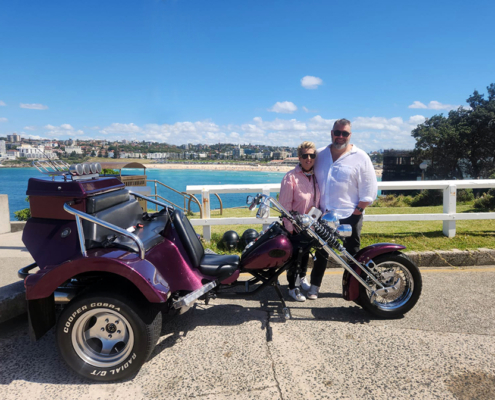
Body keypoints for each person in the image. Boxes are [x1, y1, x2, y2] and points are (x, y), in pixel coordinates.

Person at [308, 119, 378, 300]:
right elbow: (306, 170)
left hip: (349, 215)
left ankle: (355, 289)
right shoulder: (321, 154)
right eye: (337, 132)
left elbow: (369, 189)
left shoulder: (361, 156)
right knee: (321, 252)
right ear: (331, 133)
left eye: (344, 133)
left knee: (352, 255)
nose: (340, 137)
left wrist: (358, 211)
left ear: (350, 135)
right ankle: (314, 287)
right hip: (325, 214)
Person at [279, 141, 320, 302]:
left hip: (311, 225)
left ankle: (302, 279)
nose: (308, 159)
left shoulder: (317, 176)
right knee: (295, 258)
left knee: (305, 256)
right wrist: (289, 227)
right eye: (305, 155)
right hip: (295, 226)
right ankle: (292, 287)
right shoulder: (291, 177)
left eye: (312, 155)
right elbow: (285, 205)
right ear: (299, 157)